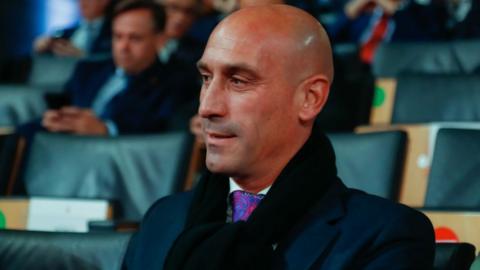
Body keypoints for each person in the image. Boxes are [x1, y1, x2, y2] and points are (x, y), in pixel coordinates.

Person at [122, 4, 435, 270]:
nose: (207, 106)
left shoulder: (385, 235)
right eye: (206, 78)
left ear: (310, 98)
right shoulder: (161, 220)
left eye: (239, 81)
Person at [41, 0, 198, 136]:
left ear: (159, 40)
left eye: (135, 38)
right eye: (118, 36)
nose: (123, 47)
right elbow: (63, 107)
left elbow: (161, 134)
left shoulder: (175, 84)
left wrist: (106, 130)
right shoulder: (87, 70)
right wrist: (52, 119)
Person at [33, 0, 114, 57]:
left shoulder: (115, 33)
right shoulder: (63, 33)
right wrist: (41, 48)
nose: (83, 2)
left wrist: (84, 57)